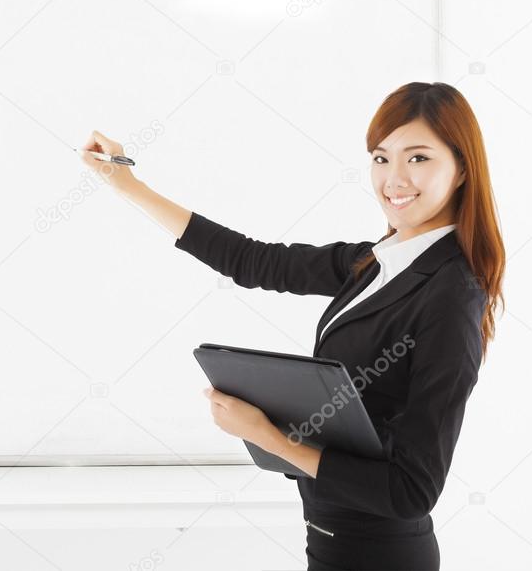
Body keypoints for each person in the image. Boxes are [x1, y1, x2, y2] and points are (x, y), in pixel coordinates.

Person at [80, 82, 505, 571]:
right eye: (381, 158)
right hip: (329, 541)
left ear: (462, 169)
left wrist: (274, 439)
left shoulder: (451, 295)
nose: (394, 179)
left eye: (418, 158)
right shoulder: (376, 262)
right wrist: (126, 184)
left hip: (381, 555)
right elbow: (253, 261)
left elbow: (412, 490)